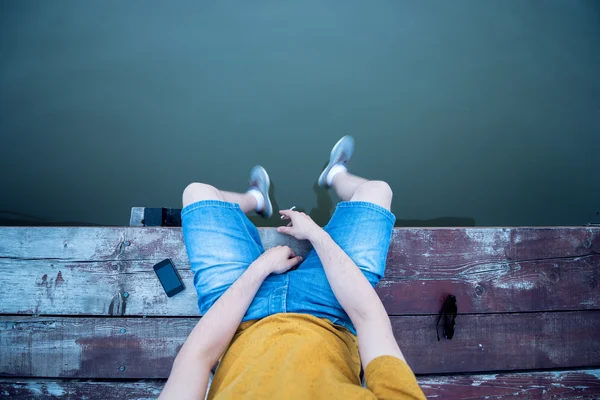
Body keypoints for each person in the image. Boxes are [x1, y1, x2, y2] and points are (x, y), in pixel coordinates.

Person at [159, 136, 425, 400]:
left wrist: (259, 269)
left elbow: (197, 356)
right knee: (378, 191)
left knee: (197, 193)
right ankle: (335, 175)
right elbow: (369, 319)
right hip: (332, 313)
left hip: (239, 323)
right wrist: (317, 235)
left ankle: (256, 199)